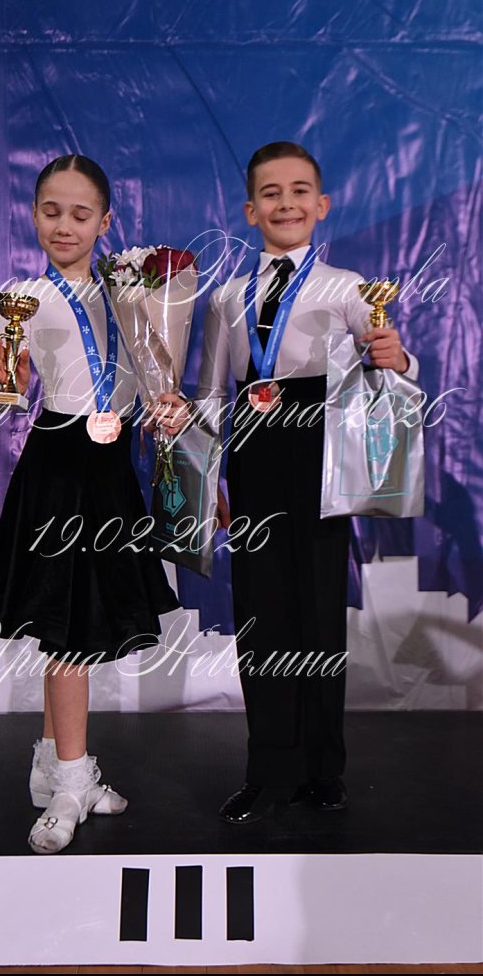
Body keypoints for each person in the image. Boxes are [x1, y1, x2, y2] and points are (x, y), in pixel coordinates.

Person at [193, 141, 419, 823]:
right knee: (261, 614)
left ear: (320, 206)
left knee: (318, 612)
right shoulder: (226, 298)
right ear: (249, 210)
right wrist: (206, 475)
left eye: (298, 192)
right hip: (253, 454)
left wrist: (398, 356)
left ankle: (323, 768)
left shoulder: (348, 288)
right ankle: (268, 769)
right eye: (271, 193)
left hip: (323, 454)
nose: (285, 203)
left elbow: (388, 366)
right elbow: (210, 393)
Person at [0, 154, 180, 853]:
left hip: (112, 466)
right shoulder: (21, 297)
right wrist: (6, 365)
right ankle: (72, 781)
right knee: (68, 629)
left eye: (79, 213)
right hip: (60, 467)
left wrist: (166, 401)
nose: (64, 225)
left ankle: (53, 766)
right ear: (34, 215)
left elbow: (152, 371)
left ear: (105, 220)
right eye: (51, 211)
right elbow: (6, 397)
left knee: (78, 623)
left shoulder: (130, 291)